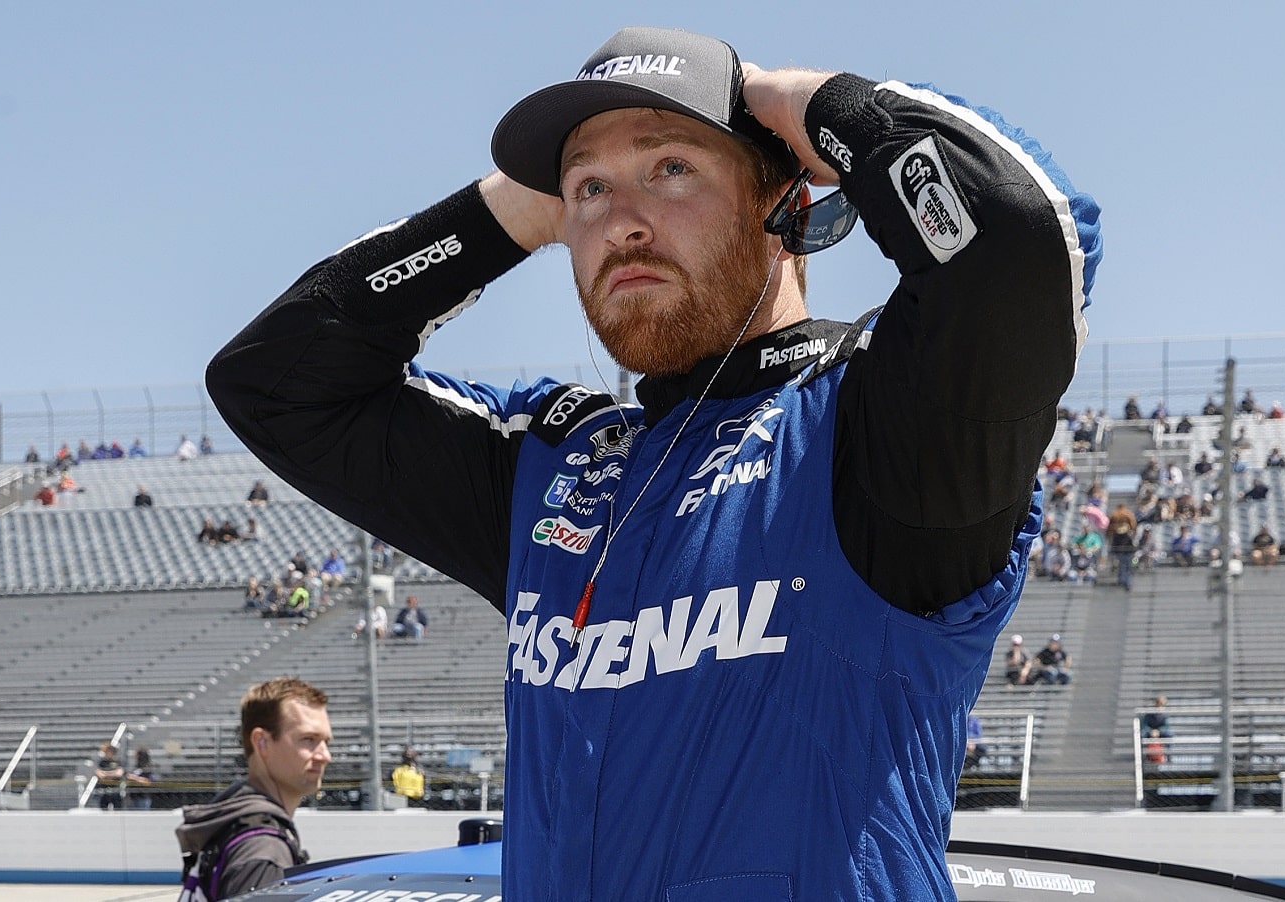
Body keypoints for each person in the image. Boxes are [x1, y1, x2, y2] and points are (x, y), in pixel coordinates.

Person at [205, 25, 1099, 901]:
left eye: (673, 168)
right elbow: (274, 384)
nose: (622, 222)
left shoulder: (884, 425)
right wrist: (504, 216)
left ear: (785, 199)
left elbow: (1014, 238)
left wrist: (798, 100)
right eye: (589, 188)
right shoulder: (551, 468)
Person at [175, 678, 330, 899]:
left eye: (326, 742)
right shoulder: (262, 848)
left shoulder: (233, 820)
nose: (325, 756)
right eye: (308, 739)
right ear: (262, 742)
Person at [94, 743, 124, 809]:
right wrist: (112, 773)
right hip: (104, 790)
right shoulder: (102, 762)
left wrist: (106, 774)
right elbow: (99, 774)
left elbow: (119, 773)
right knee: (104, 809)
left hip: (115, 790)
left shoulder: (117, 762)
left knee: (118, 809)